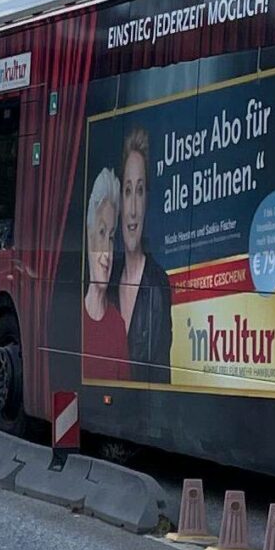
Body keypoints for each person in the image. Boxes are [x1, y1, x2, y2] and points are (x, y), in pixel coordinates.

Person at [117, 126, 172, 375]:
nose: (133, 210)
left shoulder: (158, 284)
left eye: (140, 190)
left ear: (147, 199)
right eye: (128, 191)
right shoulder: (105, 280)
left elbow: (162, 375)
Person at [79, 167, 133, 383]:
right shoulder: (73, 318)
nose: (106, 255)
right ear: (88, 235)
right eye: (101, 233)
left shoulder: (117, 325)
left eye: (111, 238)